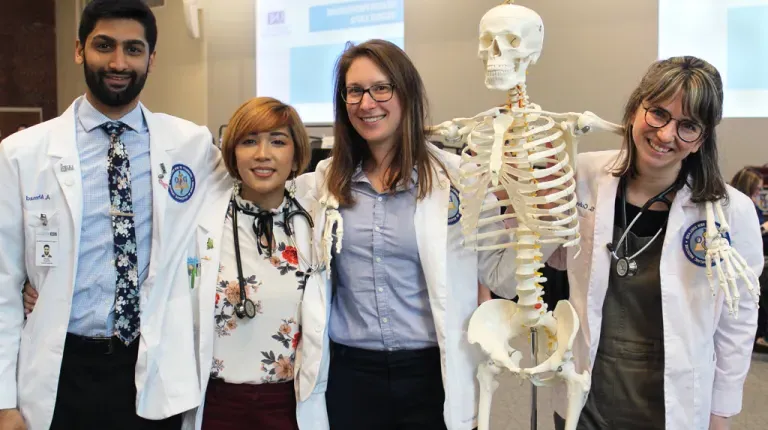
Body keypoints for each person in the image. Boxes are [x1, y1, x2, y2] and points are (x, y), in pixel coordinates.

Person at [0, 1, 226, 429]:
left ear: (152, 59)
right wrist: (3, 402)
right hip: (61, 369)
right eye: (104, 46)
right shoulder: (21, 153)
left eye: (133, 49)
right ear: (79, 50)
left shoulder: (191, 145)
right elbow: (2, 285)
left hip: (150, 366)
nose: (119, 62)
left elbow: (251, 192)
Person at [296, 39, 519, 430]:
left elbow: (503, 278)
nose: (367, 103)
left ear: (407, 93)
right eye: (354, 91)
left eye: (382, 88)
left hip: (429, 374)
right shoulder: (322, 184)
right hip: (350, 375)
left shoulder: (460, 179)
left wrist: (529, 213)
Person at [541, 56, 763, 430]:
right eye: (658, 113)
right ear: (633, 111)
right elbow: (558, 258)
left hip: (673, 403)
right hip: (588, 395)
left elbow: (736, 322)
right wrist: (533, 211)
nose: (665, 135)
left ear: (701, 140)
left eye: (688, 126)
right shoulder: (583, 177)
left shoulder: (731, 211)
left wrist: (720, 412)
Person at [180, 97, 318, 429]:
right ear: (232, 153)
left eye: (278, 141)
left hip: (291, 405)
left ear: (297, 154)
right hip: (216, 404)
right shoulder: (201, 220)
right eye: (249, 141)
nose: (262, 154)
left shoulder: (315, 223)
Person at [730, 167, 768, 350]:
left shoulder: (751, 206)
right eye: (758, 189)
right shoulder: (740, 206)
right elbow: (745, 238)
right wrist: (765, 228)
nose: (760, 193)